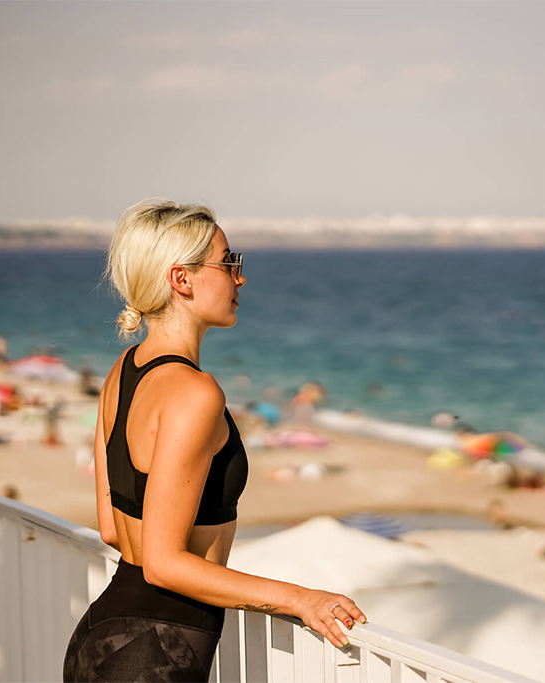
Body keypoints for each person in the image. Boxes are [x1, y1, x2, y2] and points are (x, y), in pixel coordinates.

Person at [63, 200, 365, 682]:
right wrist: (301, 599)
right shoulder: (195, 393)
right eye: (228, 263)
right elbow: (163, 564)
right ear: (181, 279)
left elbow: (114, 529)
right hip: (153, 653)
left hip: (100, 637)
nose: (240, 278)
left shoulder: (123, 372)